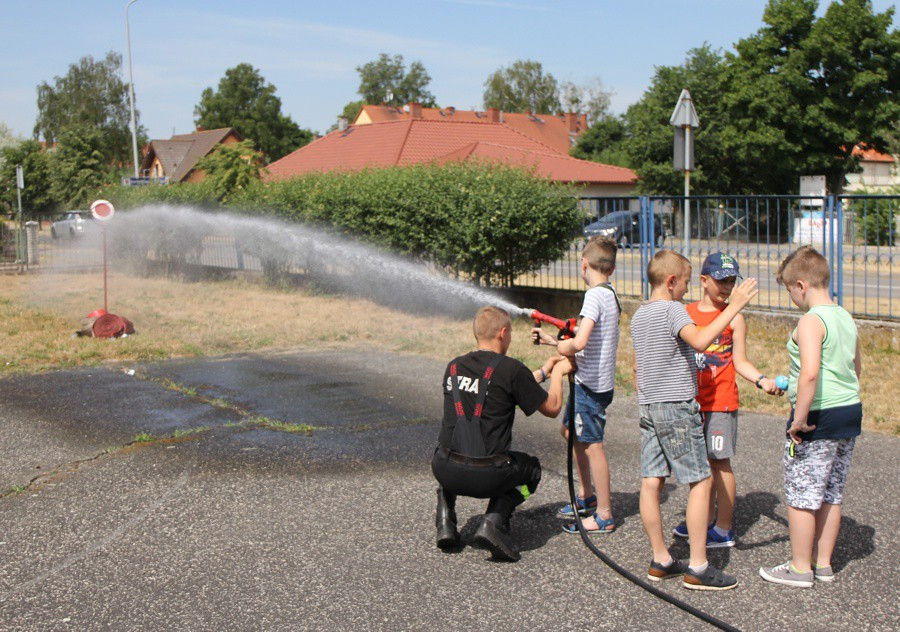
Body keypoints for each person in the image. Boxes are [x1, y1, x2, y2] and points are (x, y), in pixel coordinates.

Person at [631, 250, 757, 591]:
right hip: (675, 407)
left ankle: (661, 559)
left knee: (651, 481)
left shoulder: (639, 316)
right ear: (672, 281)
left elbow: (638, 366)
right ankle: (699, 566)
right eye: (685, 282)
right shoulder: (673, 310)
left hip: (649, 406)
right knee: (701, 482)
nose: (686, 290)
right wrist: (735, 306)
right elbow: (701, 340)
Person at [431, 305, 573, 562]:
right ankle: (494, 522)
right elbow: (552, 408)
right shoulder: (511, 370)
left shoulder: (453, 367)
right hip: (489, 477)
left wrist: (542, 372)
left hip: (445, 471)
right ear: (503, 333)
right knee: (532, 472)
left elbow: (496, 391)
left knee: (447, 449)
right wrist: (559, 375)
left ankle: (445, 520)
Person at [759, 246, 862, 588]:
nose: (792, 298)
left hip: (818, 416)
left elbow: (809, 374)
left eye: (790, 291)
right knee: (832, 490)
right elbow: (855, 367)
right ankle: (823, 563)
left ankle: (800, 568)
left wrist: (798, 420)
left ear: (801, 286)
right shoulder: (845, 317)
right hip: (849, 412)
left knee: (802, 491)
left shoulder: (810, 321)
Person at [672, 252, 782, 548]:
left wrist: (762, 380)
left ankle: (723, 528)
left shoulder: (737, 318)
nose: (727, 287)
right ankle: (704, 520)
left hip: (721, 403)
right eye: (721, 281)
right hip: (691, 403)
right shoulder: (686, 313)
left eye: (732, 282)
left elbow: (740, 361)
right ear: (704, 281)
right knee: (700, 465)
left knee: (719, 463)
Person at [532, 236, 621, 535]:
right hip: (595, 382)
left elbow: (578, 342)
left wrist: (561, 349)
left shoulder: (593, 296)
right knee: (570, 432)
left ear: (584, 264)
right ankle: (586, 496)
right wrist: (552, 339)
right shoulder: (610, 294)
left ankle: (604, 515)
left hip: (590, 388)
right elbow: (586, 339)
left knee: (593, 445)